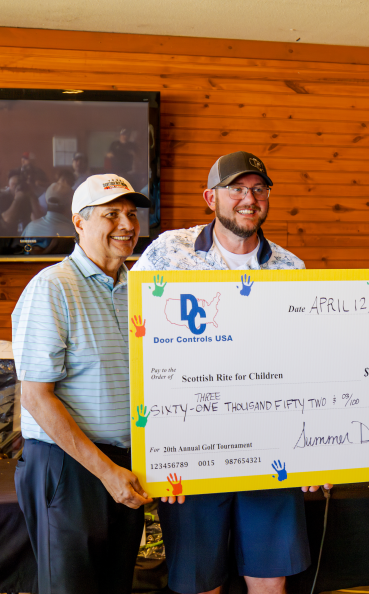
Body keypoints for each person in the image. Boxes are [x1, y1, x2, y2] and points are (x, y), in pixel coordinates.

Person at [132, 150, 327, 594]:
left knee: (269, 581)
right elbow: (138, 343)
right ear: (210, 197)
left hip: (271, 449)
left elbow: (306, 361)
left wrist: (314, 449)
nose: (248, 198)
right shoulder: (168, 253)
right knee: (200, 583)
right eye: (236, 188)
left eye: (258, 189)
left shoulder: (290, 268)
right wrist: (159, 455)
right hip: (194, 449)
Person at [12, 174, 152, 594]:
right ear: (78, 222)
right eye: (111, 214)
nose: (127, 225)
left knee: (116, 585)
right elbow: (36, 398)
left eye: (131, 214)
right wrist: (106, 472)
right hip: (67, 467)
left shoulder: (141, 291)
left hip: (126, 466)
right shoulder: (52, 288)